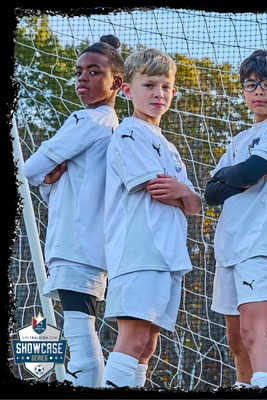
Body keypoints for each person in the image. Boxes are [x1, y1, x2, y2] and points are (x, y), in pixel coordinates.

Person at [23, 34, 123, 388]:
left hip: (75, 245)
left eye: (94, 72)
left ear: (117, 83)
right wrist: (49, 180)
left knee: (80, 339)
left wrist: (43, 177)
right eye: (79, 71)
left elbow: (30, 169)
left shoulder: (88, 120)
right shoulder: (112, 127)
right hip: (89, 245)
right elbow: (57, 183)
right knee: (81, 330)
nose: (83, 77)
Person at [101, 47, 202, 388]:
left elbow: (194, 203)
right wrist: (182, 194)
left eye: (165, 86)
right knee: (133, 339)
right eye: (149, 85)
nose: (159, 93)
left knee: (148, 345)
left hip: (168, 255)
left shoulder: (169, 147)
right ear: (126, 90)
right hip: (139, 252)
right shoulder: (128, 132)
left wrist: (183, 193)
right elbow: (156, 188)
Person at [204, 49, 267, 388]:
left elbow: (250, 171)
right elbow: (211, 193)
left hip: (261, 244)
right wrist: (239, 175)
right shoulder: (239, 139)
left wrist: (238, 175)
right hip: (229, 247)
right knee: (236, 341)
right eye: (251, 85)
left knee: (253, 332)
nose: (259, 92)